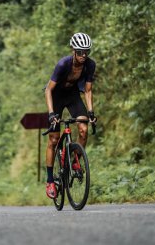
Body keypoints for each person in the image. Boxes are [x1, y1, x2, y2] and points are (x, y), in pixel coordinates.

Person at [44, 32, 97, 199]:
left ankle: (75, 160)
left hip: (73, 95)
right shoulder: (63, 64)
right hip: (57, 96)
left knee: (83, 129)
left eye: (86, 51)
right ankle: (50, 180)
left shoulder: (90, 65)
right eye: (80, 52)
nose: (83, 55)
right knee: (53, 139)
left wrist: (90, 112)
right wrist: (52, 114)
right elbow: (48, 90)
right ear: (73, 50)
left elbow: (87, 90)